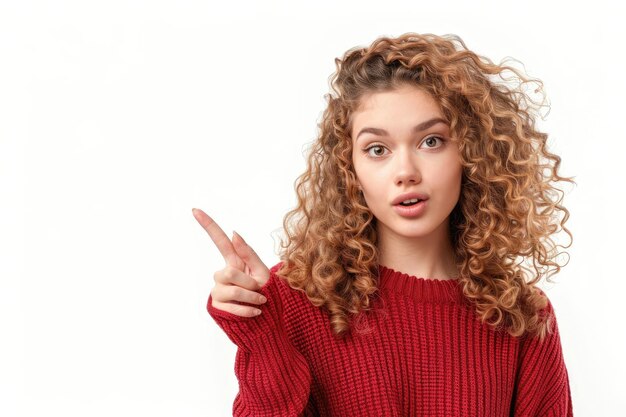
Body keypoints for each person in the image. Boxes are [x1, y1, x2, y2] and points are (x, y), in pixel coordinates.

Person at [193, 32, 575, 416]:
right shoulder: (295, 300)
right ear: (350, 168)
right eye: (378, 150)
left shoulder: (521, 315)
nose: (406, 172)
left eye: (431, 141)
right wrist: (263, 339)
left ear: (471, 151)